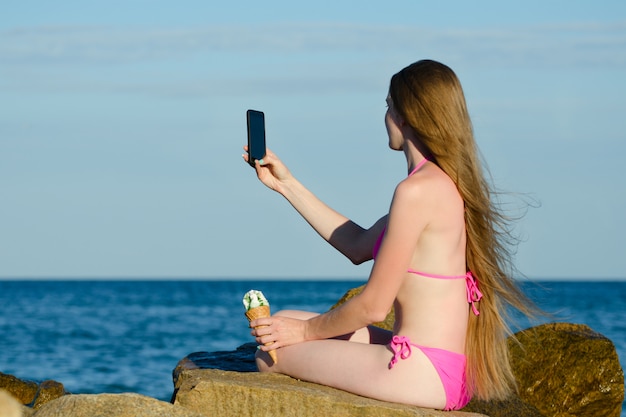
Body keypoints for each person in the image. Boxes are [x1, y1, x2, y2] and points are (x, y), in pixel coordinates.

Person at [242, 59, 535, 411]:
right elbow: (356, 245)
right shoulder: (442, 182)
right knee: (283, 320)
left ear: (406, 116)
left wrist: (304, 334)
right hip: (442, 365)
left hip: (422, 371)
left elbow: (373, 306)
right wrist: (286, 185)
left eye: (388, 106)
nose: (385, 116)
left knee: (271, 354)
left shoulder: (416, 193)